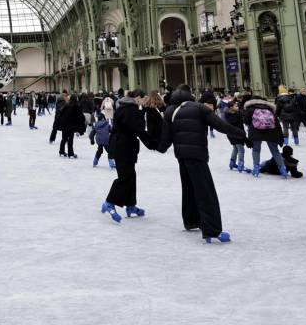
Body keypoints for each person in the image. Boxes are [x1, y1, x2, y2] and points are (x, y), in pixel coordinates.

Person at [157, 88, 247, 243]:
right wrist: (242, 135)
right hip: (197, 156)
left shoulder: (170, 111)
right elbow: (220, 125)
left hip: (182, 157)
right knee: (206, 192)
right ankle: (212, 230)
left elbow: (166, 139)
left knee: (189, 188)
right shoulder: (199, 108)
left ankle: (191, 220)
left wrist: (158, 147)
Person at [101, 90, 156, 223]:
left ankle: (130, 205)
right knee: (125, 177)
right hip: (123, 147)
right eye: (143, 99)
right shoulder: (130, 110)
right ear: (138, 98)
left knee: (131, 176)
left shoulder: (125, 107)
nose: (143, 102)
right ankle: (109, 202)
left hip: (125, 146)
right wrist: (153, 144)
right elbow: (139, 129)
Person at [243, 95, 287, 177]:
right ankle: (282, 169)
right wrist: (281, 136)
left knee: (256, 150)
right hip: (271, 131)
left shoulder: (250, 108)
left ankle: (256, 168)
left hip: (255, 131)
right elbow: (276, 123)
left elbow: (246, 121)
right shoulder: (269, 108)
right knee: (275, 151)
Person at [58, 94, 86, 159]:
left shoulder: (66, 105)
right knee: (70, 139)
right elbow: (80, 116)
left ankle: (61, 152)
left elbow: (60, 113)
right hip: (71, 125)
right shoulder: (76, 106)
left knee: (64, 139)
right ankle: (70, 154)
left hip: (64, 125)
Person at [223, 98, 247, 172]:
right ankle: (241, 164)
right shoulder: (236, 115)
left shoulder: (228, 114)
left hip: (231, 134)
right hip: (237, 134)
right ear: (231, 107)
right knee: (241, 150)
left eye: (237, 106)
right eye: (236, 106)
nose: (238, 107)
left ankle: (232, 162)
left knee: (235, 148)